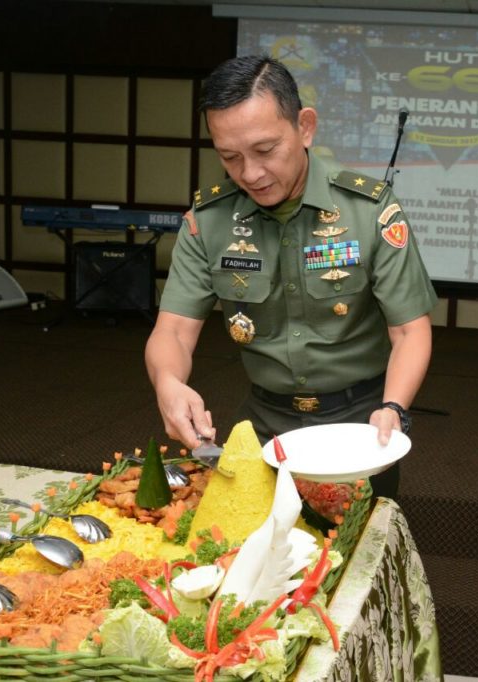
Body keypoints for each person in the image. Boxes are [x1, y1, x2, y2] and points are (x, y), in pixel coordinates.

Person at [145, 55, 436, 503]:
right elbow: (174, 331)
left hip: (360, 425)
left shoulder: (368, 211)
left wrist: (393, 407)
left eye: (265, 151)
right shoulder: (210, 221)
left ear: (305, 127)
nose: (250, 174)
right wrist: (168, 382)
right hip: (264, 422)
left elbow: (409, 329)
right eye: (230, 157)